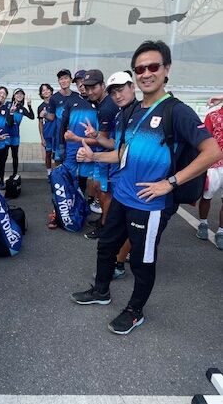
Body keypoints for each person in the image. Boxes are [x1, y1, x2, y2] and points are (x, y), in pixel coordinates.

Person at [72, 40, 221, 335]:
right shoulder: (132, 111)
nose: (146, 73)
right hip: (123, 196)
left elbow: (213, 151)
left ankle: (135, 311)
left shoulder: (177, 111)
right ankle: (101, 291)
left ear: (166, 70)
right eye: (140, 69)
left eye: (153, 66)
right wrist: (93, 156)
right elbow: (121, 153)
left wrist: (170, 182)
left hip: (150, 205)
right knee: (106, 246)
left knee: (142, 260)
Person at [82, 69, 119, 238]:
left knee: (105, 193)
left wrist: (76, 139)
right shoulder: (100, 103)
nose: (90, 92)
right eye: (87, 88)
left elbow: (102, 139)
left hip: (108, 157)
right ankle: (103, 220)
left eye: (93, 87)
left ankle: (105, 227)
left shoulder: (108, 107)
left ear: (103, 85)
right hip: (101, 156)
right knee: (98, 188)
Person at [196, 101, 223, 249]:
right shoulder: (212, 116)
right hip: (214, 165)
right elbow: (204, 140)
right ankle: (203, 223)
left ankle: (221, 231)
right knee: (207, 196)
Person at [46, 69, 79, 165]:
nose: (63, 81)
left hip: (74, 135)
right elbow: (51, 117)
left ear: (70, 80)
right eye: (61, 79)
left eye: (66, 78)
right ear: (58, 81)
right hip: (59, 137)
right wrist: (44, 114)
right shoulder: (54, 98)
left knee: (73, 161)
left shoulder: (77, 96)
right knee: (58, 162)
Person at [6, 88, 34, 177]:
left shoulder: (22, 109)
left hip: (15, 136)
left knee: (15, 156)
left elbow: (32, 117)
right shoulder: (8, 104)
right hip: (5, 135)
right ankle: (1, 178)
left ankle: (15, 174)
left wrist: (29, 105)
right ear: (14, 96)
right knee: (4, 156)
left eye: (21, 94)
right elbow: (9, 123)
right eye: (17, 94)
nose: (19, 95)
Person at [37, 83, 55, 176]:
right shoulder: (40, 107)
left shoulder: (57, 103)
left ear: (51, 91)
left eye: (47, 89)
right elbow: (40, 123)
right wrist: (42, 138)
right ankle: (49, 173)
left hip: (57, 135)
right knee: (48, 154)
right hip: (47, 135)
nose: (46, 91)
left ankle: (58, 175)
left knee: (58, 156)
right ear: (41, 94)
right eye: (43, 90)